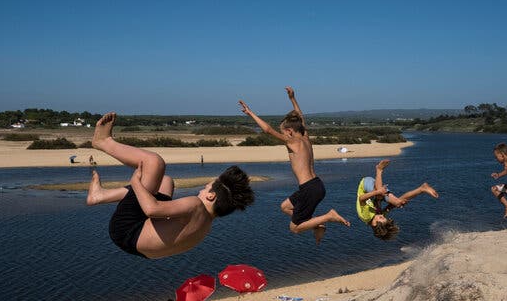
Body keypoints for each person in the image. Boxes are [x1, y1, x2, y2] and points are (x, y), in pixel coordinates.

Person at [86, 112, 255, 259]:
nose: (201, 189)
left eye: (205, 188)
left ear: (211, 196)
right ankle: (100, 196)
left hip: (127, 229)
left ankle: (102, 141)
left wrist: (136, 182)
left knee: (154, 163)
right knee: (166, 181)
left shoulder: (195, 205)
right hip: (137, 246)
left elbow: (152, 210)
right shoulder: (205, 225)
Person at [239, 87, 350, 244]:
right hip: (316, 185)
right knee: (285, 207)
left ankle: (328, 216)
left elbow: (267, 129)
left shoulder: (292, 141)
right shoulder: (306, 136)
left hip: (309, 189)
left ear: (289, 131)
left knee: (295, 228)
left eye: (284, 132)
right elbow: (300, 117)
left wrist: (250, 113)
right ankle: (317, 224)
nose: (284, 135)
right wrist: (292, 98)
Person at [357, 159, 439, 240]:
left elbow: (361, 199)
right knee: (398, 203)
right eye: (383, 217)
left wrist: (377, 191)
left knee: (379, 194)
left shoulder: (366, 216)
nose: (382, 215)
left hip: (365, 185)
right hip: (377, 193)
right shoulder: (379, 217)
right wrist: (400, 203)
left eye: (381, 218)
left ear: (374, 224)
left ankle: (379, 169)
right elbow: (390, 207)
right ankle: (422, 188)